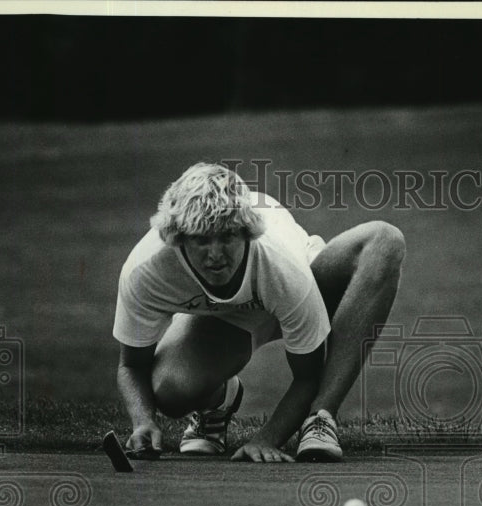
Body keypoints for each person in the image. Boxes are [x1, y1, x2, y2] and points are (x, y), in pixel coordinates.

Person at [113, 162, 405, 463]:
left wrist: (266, 438)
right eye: (200, 240)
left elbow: (307, 376)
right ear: (178, 238)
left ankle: (320, 419)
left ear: (246, 232)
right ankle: (219, 403)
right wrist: (143, 420)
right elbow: (131, 365)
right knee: (169, 392)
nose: (215, 255)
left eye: (227, 237)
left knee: (385, 239)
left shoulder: (284, 268)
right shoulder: (145, 269)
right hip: (228, 317)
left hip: (302, 287)